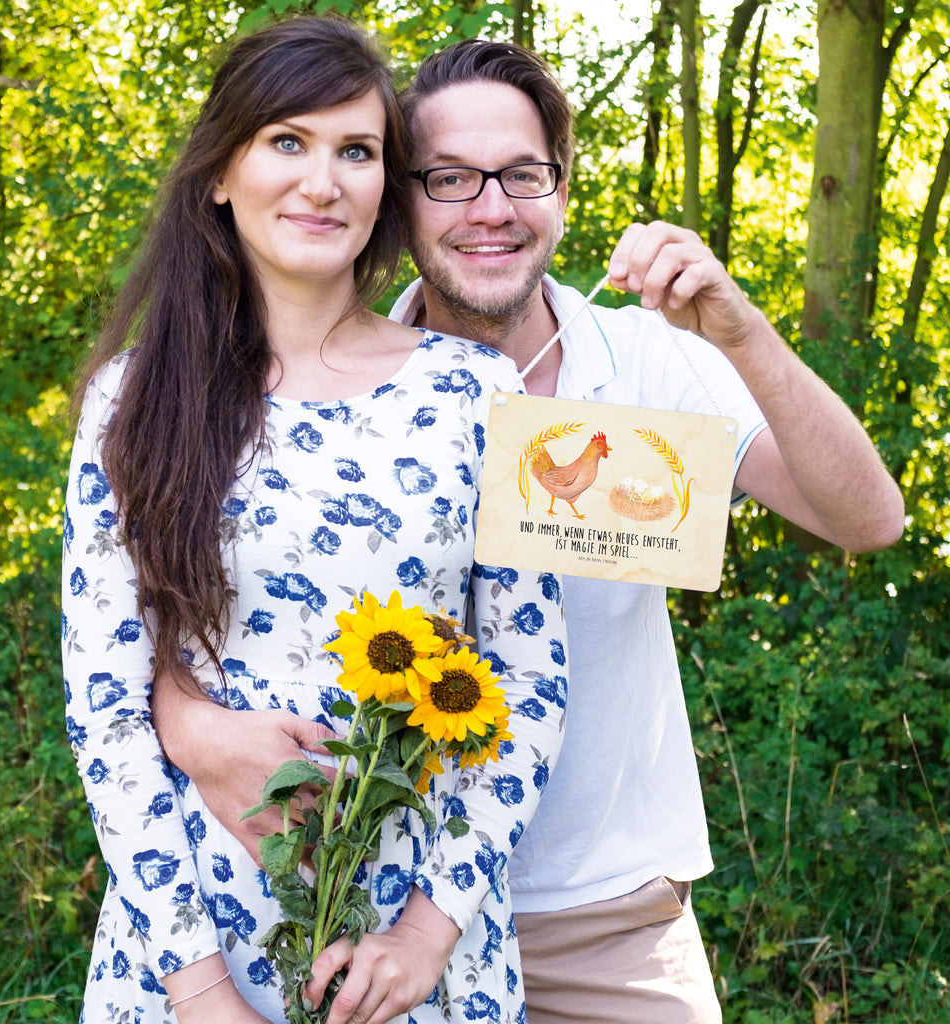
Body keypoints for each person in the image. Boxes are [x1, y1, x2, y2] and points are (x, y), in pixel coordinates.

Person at [153, 36, 905, 1024]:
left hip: (603, 916)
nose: (492, 208)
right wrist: (183, 715)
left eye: (521, 174)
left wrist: (735, 327)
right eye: (451, 178)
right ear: (398, 195)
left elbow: (867, 519)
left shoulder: (644, 355)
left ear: (561, 186)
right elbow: (210, 618)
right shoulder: (334, 382)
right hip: (382, 905)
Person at [62, 19, 567, 1024]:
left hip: (413, 946)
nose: (323, 181)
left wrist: (424, 935)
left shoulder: (479, 393)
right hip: (192, 936)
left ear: (386, 186)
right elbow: (106, 709)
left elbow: (531, 680)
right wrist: (202, 994)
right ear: (219, 172)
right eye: (287, 142)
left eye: (358, 152)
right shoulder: (135, 399)